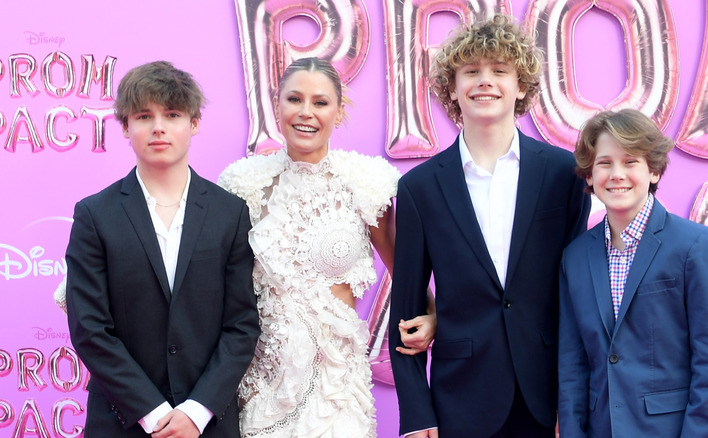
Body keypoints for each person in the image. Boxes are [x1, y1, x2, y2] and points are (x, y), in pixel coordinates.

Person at [389, 14, 591, 438]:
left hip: (546, 400)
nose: (485, 81)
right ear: (452, 88)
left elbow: (575, 297)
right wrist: (416, 413)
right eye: (471, 71)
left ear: (520, 87)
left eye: (500, 71)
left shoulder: (562, 173)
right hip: (459, 402)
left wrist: (574, 403)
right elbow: (405, 315)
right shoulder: (418, 188)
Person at [218, 56, 434, 438]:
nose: (306, 113)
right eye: (294, 99)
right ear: (277, 103)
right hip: (260, 392)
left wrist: (435, 317)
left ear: (338, 111)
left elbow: (408, 271)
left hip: (336, 395)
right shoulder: (242, 184)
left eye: (320, 102)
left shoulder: (364, 183)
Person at [64, 61, 260, 437]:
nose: (158, 127)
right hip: (120, 421)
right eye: (143, 115)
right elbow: (89, 328)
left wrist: (196, 410)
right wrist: (152, 413)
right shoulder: (94, 215)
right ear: (125, 126)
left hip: (208, 423)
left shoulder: (229, 213)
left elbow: (241, 325)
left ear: (194, 123)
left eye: (172, 114)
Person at [557, 109, 708, 437]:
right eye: (605, 163)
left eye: (630, 161)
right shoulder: (575, 257)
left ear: (653, 171)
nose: (616, 174)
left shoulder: (695, 245)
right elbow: (572, 365)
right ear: (590, 175)